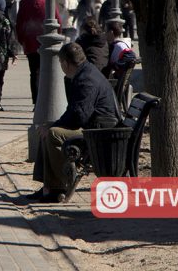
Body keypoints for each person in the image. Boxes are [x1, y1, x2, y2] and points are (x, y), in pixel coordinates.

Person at [28, 42, 120, 202]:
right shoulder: (85, 73)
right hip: (96, 128)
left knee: (53, 133)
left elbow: (79, 117)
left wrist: (52, 125)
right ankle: (49, 188)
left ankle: (59, 187)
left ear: (65, 63)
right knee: (49, 129)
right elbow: (76, 114)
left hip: (99, 133)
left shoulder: (86, 80)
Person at [16, 0, 61, 106]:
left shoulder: (24, 2)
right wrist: (58, 35)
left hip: (30, 41)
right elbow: (58, 19)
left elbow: (19, 23)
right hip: (47, 40)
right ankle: (48, 101)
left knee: (34, 72)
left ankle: (36, 102)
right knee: (48, 72)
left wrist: (21, 39)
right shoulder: (48, 0)